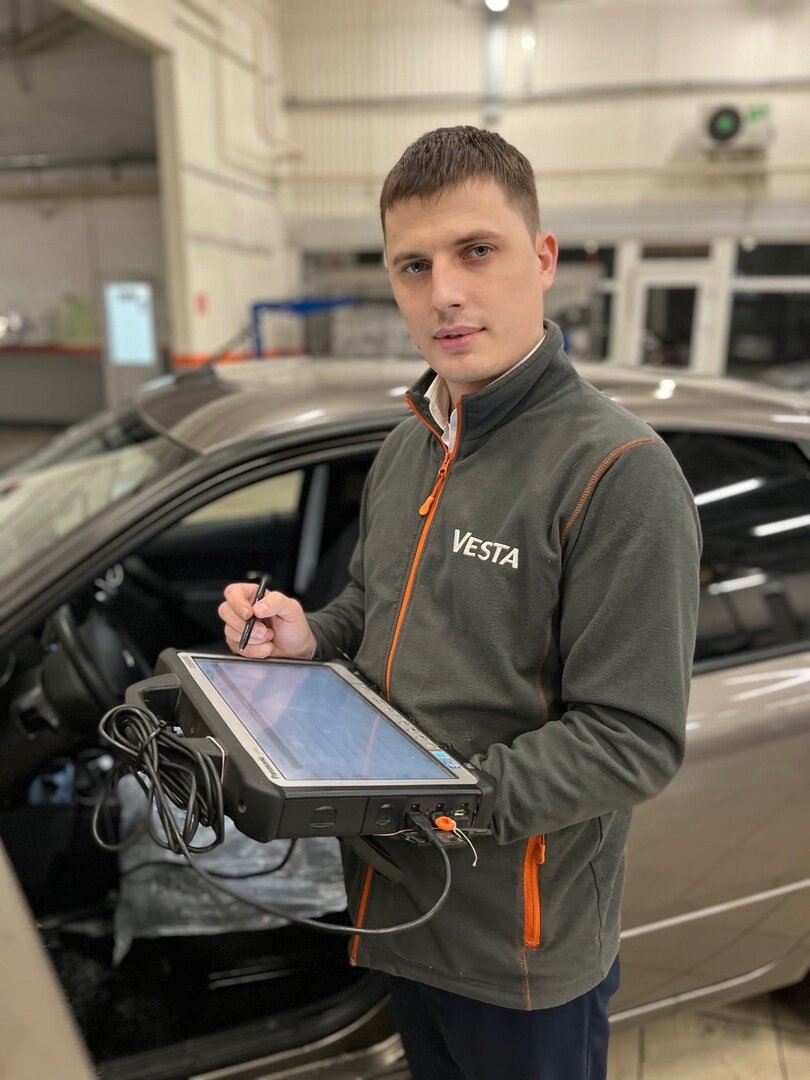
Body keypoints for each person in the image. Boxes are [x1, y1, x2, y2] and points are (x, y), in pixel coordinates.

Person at [218, 126, 701, 1080]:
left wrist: (439, 804)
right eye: (414, 265)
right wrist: (310, 637)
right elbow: (376, 607)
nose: (443, 291)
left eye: (476, 250)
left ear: (543, 258)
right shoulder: (409, 445)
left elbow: (633, 739)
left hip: (517, 946)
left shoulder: (619, 473)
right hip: (401, 908)